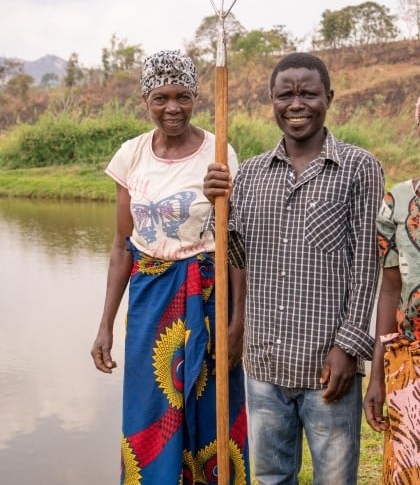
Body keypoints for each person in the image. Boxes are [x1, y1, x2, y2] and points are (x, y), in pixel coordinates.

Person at [203, 52, 384, 484]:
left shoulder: (359, 168)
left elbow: (366, 266)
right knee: (269, 477)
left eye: (308, 93)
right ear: (272, 101)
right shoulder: (248, 175)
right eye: (286, 94)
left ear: (329, 97)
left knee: (334, 479)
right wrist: (217, 208)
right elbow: (236, 258)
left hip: (327, 364)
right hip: (264, 362)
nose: (296, 104)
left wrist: (349, 346)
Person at [91, 49, 250, 484]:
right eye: (161, 97)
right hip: (149, 301)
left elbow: (233, 242)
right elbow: (123, 246)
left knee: (210, 409)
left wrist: (236, 321)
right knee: (149, 410)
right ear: (146, 99)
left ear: (196, 95)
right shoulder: (131, 155)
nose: (172, 108)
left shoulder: (218, 152)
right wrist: (105, 324)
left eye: (182, 96)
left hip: (207, 297)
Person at [363, 175, 420, 483]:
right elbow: (390, 289)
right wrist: (378, 379)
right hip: (410, 364)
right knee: (408, 472)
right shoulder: (397, 202)